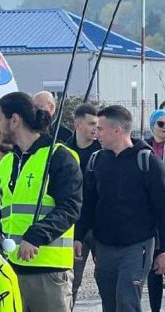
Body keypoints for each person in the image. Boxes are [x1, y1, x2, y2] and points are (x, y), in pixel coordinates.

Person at [78, 105, 165, 312]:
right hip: (104, 247)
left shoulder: (148, 162)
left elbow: (164, 211)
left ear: (117, 130)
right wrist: (78, 237)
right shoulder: (96, 162)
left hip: (137, 247)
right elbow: (88, 205)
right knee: (110, 304)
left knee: (127, 302)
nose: (96, 133)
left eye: (100, 128)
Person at [0, 91, 82, 312]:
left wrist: (36, 236)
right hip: (10, 268)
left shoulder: (60, 156)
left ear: (14, 120)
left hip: (48, 271)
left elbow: (70, 207)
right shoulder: (6, 163)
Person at [65, 103, 102, 307]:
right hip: (73, 225)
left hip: (100, 225)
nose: (96, 129)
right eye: (91, 124)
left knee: (106, 279)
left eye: (97, 124)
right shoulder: (64, 152)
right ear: (77, 124)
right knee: (71, 282)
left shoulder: (103, 151)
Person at [143, 109, 165, 312]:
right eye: (161, 124)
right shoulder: (144, 148)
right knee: (153, 268)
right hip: (150, 212)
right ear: (152, 126)